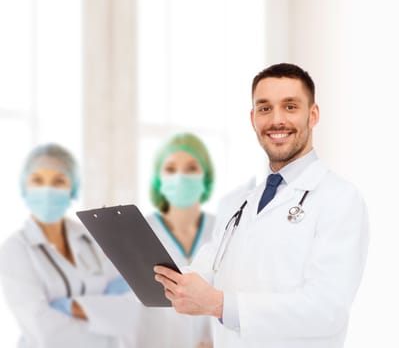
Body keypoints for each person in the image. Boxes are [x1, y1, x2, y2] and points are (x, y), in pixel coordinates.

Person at [154, 63, 369, 347]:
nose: (276, 120)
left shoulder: (339, 198)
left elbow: (326, 310)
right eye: (265, 108)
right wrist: (142, 260)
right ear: (253, 118)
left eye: (290, 106)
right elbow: (203, 272)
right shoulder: (239, 204)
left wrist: (220, 305)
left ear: (313, 115)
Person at [0, 143, 133, 348]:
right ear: (24, 187)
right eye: (37, 180)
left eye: (58, 181)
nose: (47, 190)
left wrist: (68, 308)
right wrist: (103, 321)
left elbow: (127, 307)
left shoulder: (92, 238)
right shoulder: (15, 249)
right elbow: (44, 333)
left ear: (73, 187)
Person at [124, 132, 215, 347]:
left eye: (191, 168)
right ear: (158, 178)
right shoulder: (136, 231)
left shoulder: (223, 229)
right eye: (170, 169)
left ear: (206, 176)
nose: (180, 177)